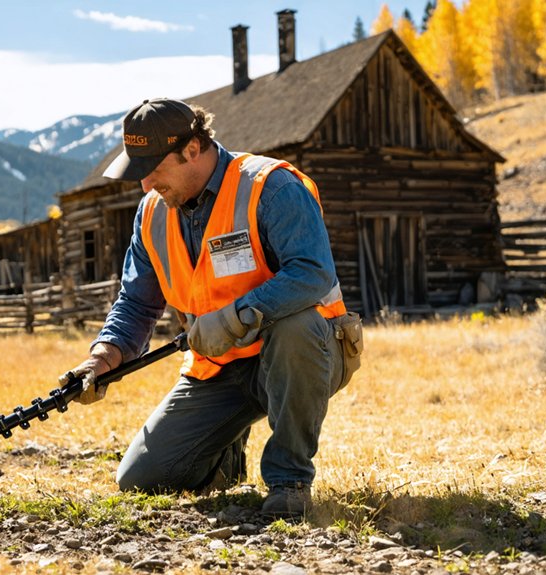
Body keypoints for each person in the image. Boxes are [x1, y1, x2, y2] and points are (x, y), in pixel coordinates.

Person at [61, 98, 358, 519]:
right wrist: (103, 357)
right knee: (140, 479)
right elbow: (136, 303)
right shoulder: (151, 214)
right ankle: (225, 454)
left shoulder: (271, 187)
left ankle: (289, 480)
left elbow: (312, 272)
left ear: (193, 150)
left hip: (310, 352)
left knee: (295, 327)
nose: (145, 185)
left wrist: (238, 315)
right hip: (221, 366)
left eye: (152, 169)